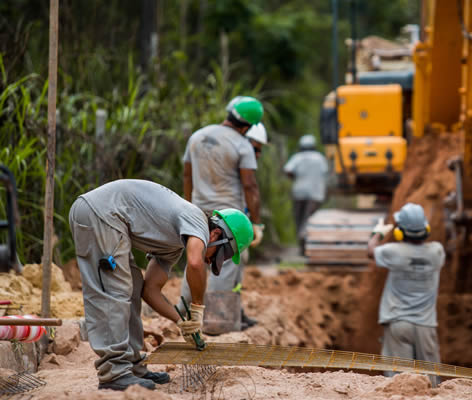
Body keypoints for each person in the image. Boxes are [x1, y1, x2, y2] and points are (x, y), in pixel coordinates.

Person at [68, 179, 252, 391]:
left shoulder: (173, 247)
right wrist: (197, 308)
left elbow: (150, 290)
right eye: (222, 254)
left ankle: (133, 366)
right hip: (99, 213)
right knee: (115, 288)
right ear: (216, 234)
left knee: (135, 285)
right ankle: (114, 372)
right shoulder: (197, 219)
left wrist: (181, 322)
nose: (213, 261)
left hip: (110, 219)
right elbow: (195, 262)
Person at [179, 96, 267, 330]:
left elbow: (187, 175)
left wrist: (188, 206)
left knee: (194, 256)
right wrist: (256, 223)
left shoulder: (197, 136)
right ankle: (217, 322)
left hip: (197, 210)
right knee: (226, 263)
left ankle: (182, 313)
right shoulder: (242, 145)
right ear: (248, 126)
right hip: (229, 214)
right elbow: (250, 185)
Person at [367, 203, 445, 387]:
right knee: (432, 382)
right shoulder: (437, 252)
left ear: (400, 232)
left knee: (400, 381)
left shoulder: (394, 252)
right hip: (426, 325)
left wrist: (377, 233)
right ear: (425, 229)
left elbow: (370, 251)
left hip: (398, 323)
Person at [283, 134, 328, 255]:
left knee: (299, 218)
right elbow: (325, 172)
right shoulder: (319, 158)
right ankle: (305, 239)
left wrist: (295, 177)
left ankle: (302, 243)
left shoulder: (297, 157)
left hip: (299, 192)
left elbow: (288, 170)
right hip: (315, 194)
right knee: (308, 219)